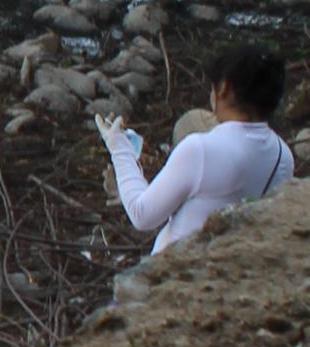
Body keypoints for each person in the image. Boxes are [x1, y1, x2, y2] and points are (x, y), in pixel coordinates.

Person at [95, 43, 295, 256]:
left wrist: (119, 148)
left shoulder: (200, 149)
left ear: (224, 88)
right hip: (232, 274)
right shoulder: (283, 156)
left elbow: (142, 215)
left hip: (176, 275)